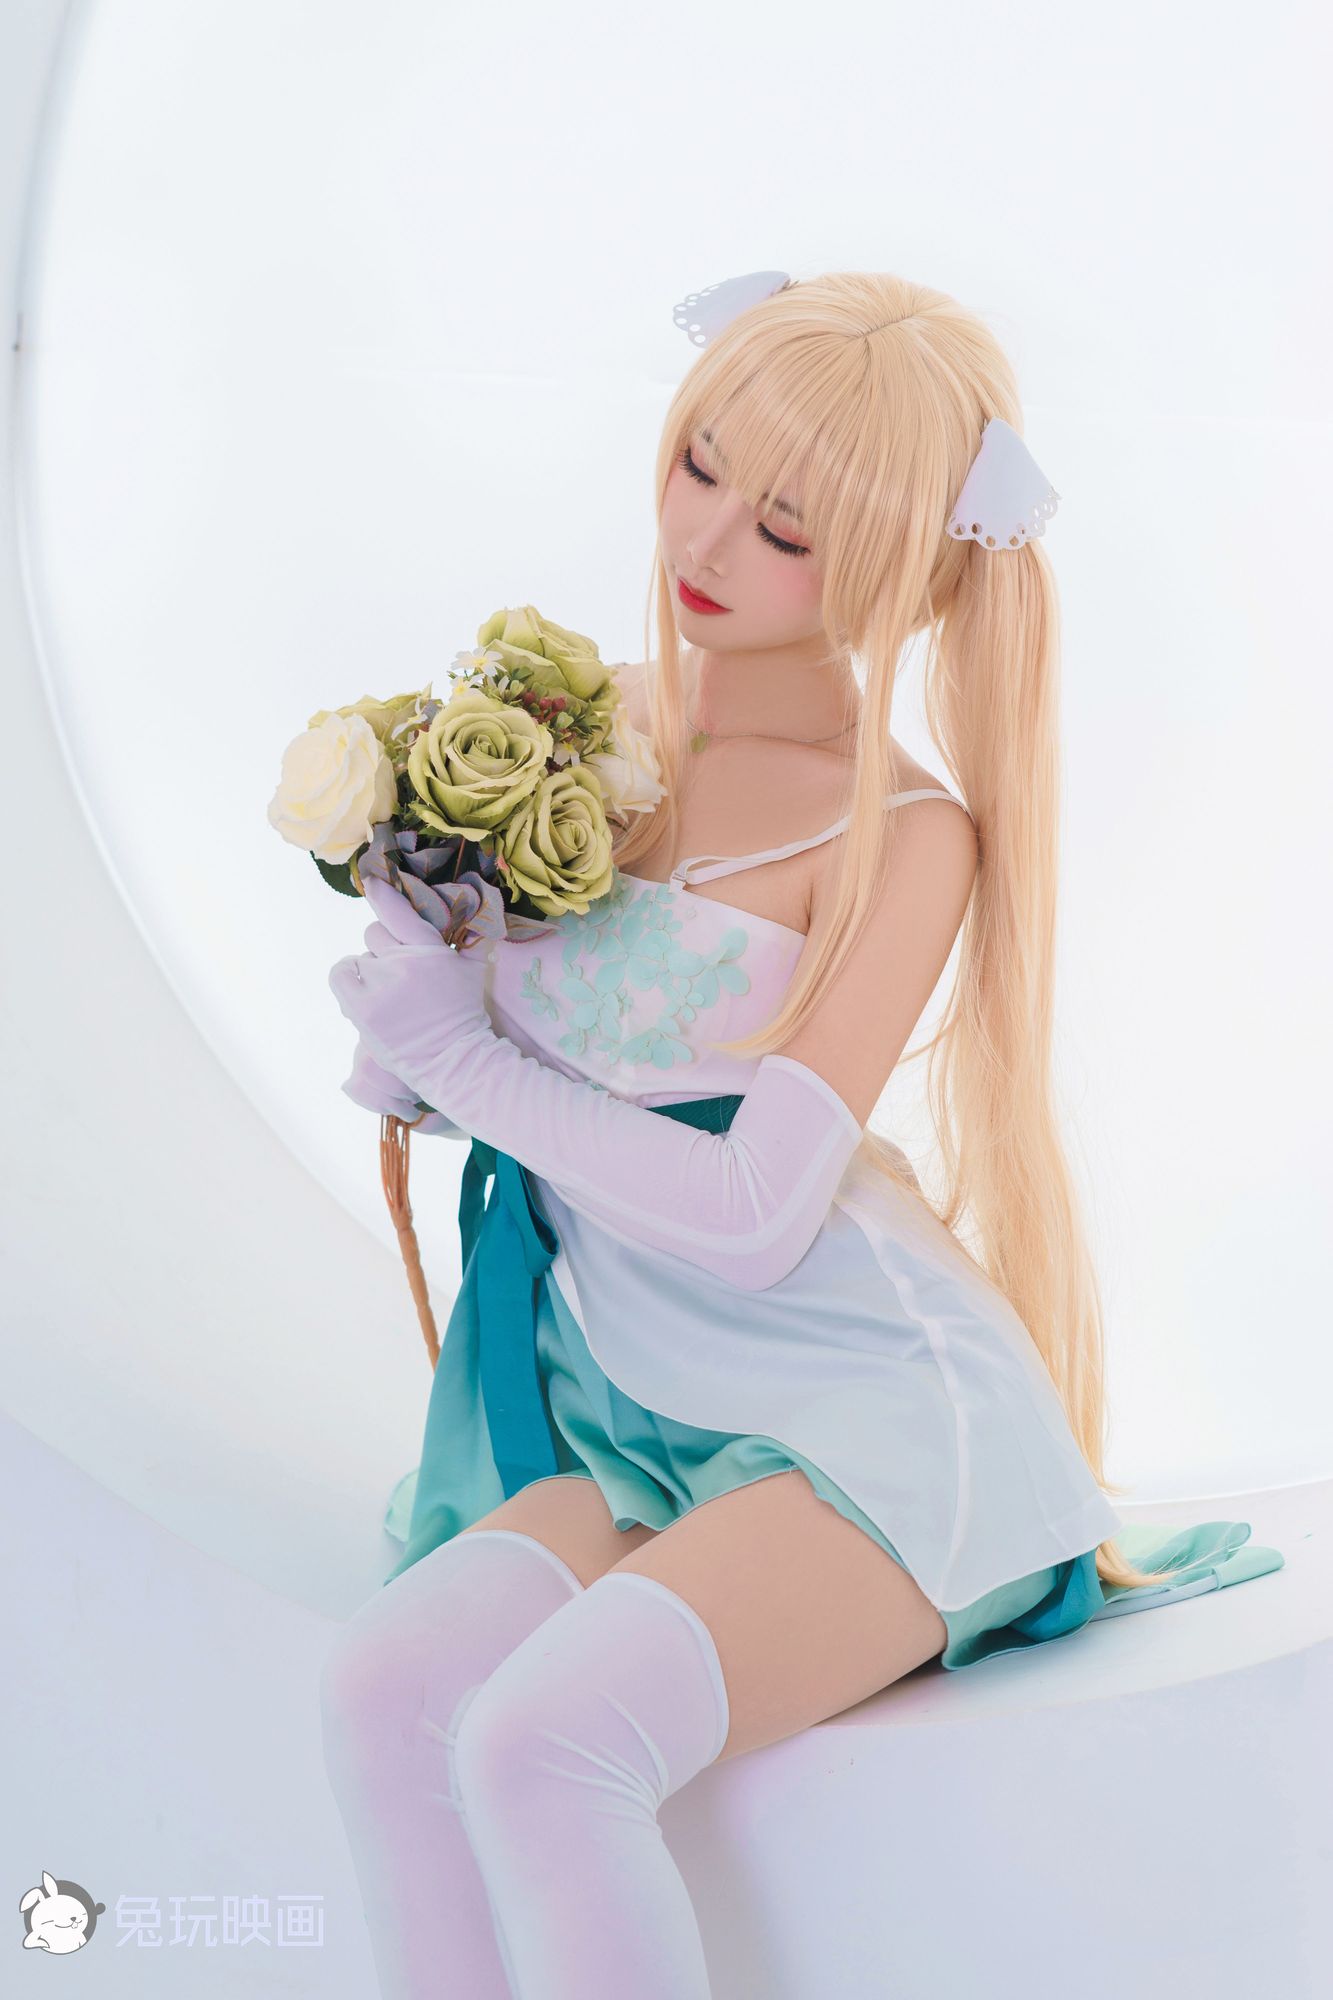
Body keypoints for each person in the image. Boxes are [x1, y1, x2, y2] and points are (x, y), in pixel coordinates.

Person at [319, 271, 1283, 2000]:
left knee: (544, 1748)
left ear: (901, 576)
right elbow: (483, 1070)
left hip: (871, 1414)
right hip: (635, 1399)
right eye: (700, 463)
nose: (706, 540)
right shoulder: (569, 736)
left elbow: (759, 1208)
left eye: (787, 529)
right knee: (386, 1694)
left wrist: (459, 1056)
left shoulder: (907, 835)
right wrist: (417, 1007)